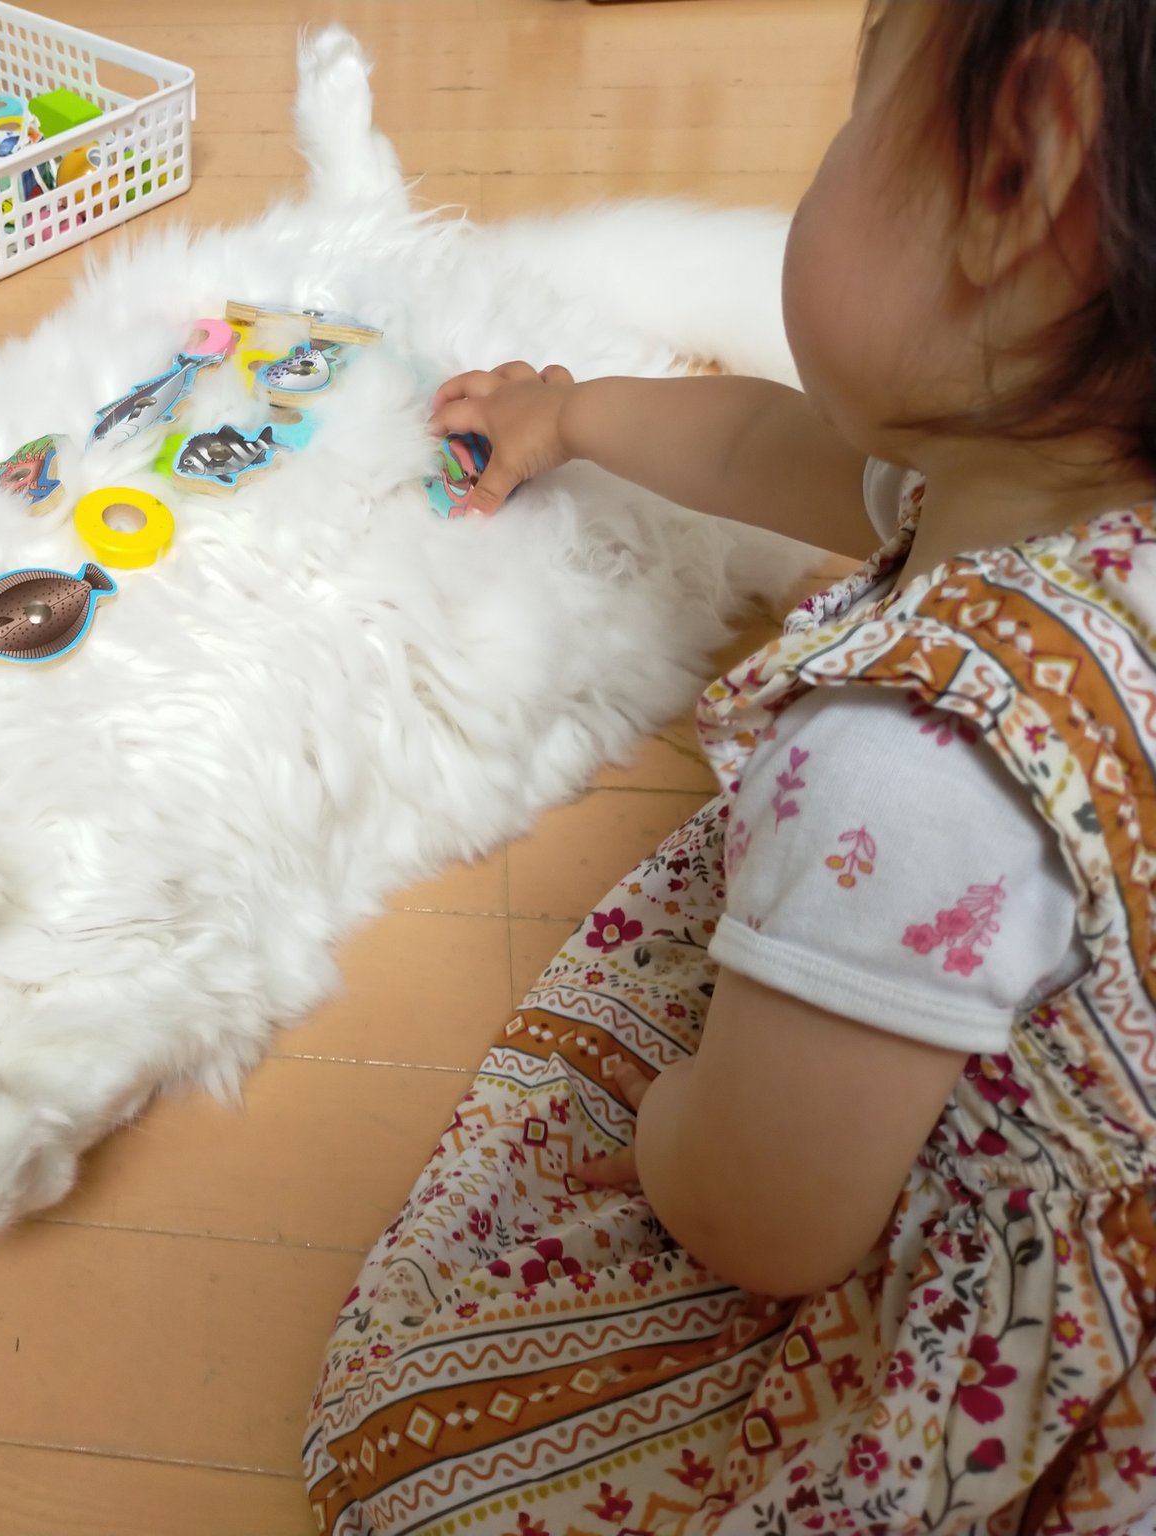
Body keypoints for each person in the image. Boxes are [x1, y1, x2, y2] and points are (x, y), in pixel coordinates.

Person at [304, 2, 1156, 1530]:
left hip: (1029, 1321)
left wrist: (670, 1127)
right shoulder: (1060, 488)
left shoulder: (908, 771)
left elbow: (771, 1221)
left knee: (430, 1440)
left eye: (855, 117)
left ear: (1019, 175)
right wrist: (571, 412)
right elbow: (780, 451)